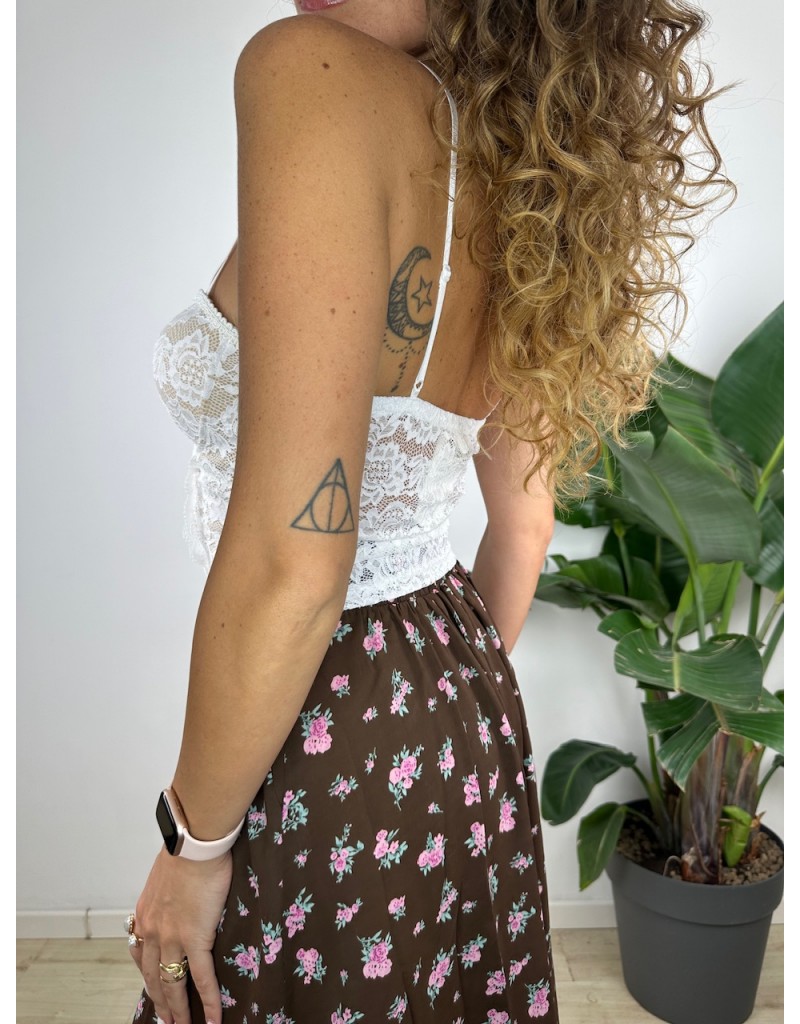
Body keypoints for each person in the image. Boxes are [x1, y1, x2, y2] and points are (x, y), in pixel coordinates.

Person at [128, 1, 733, 1021]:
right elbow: (523, 531)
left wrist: (190, 846)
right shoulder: (524, 163)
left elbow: (298, 566)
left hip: (323, 733)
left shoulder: (309, 70)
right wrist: (429, 710)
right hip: (462, 708)